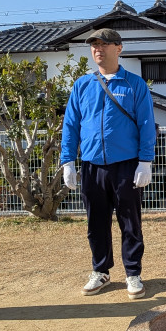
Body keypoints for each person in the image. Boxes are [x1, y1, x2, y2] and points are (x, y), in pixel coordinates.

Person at [61, 28, 156, 299]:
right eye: (94, 45)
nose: (98, 49)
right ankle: (100, 270)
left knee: (130, 221)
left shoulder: (134, 84)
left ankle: (133, 273)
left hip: (127, 164)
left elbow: (146, 123)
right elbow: (71, 124)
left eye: (104, 44)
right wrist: (68, 161)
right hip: (92, 165)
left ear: (119, 48)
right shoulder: (82, 85)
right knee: (96, 223)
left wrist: (145, 161)